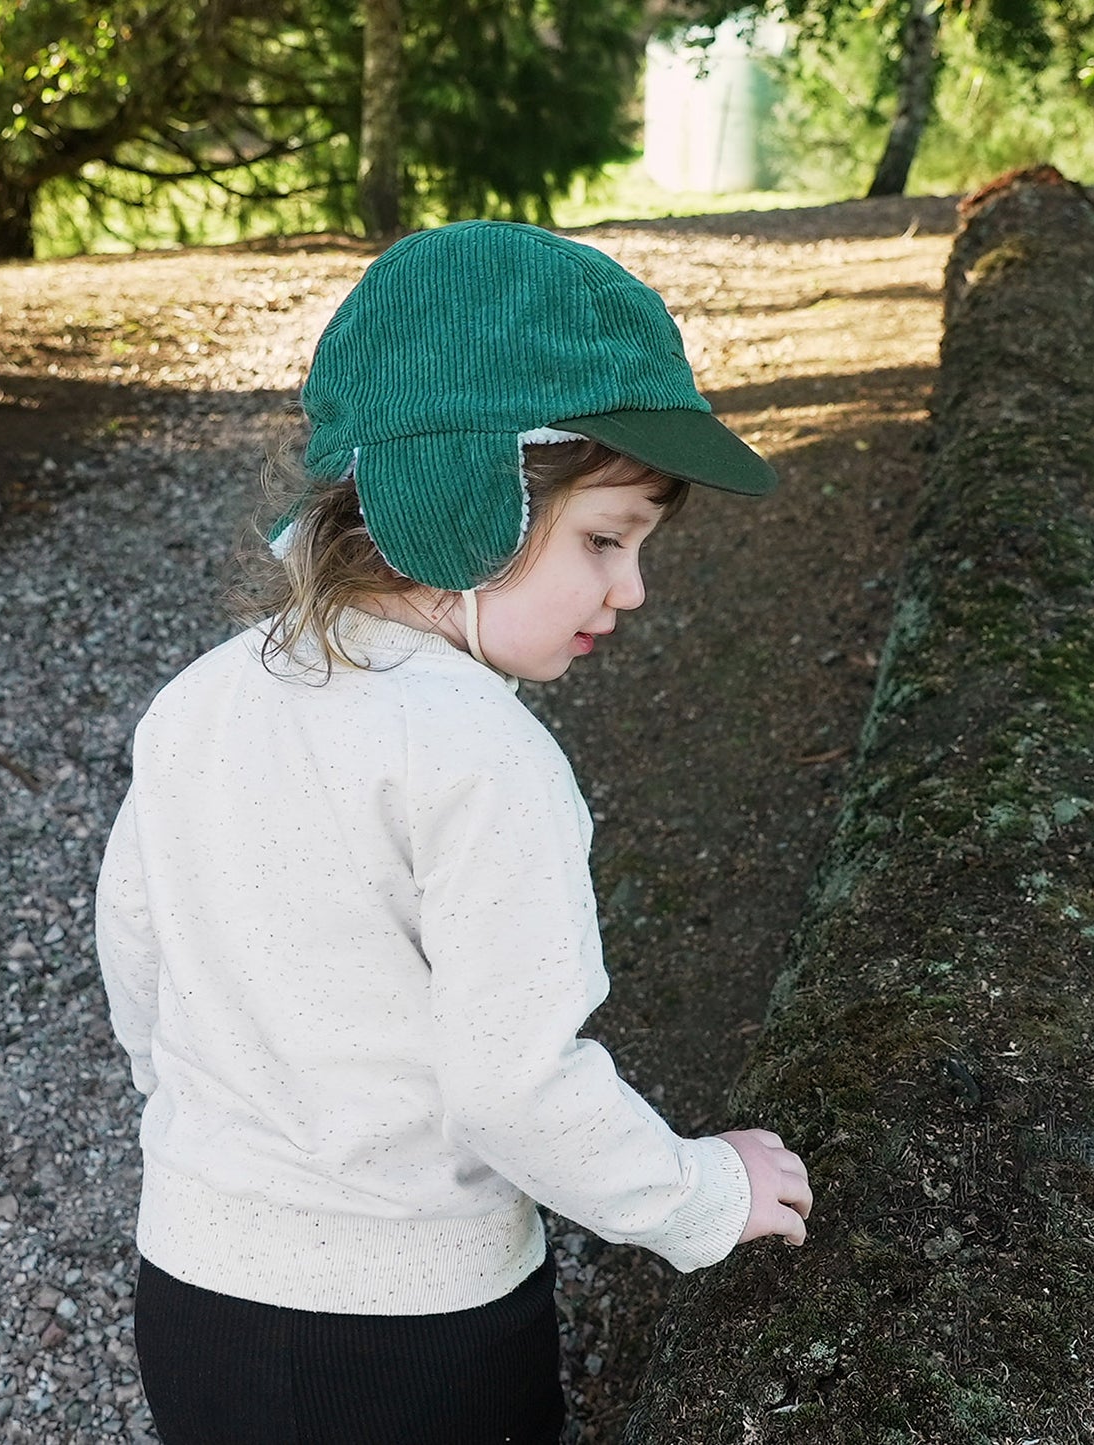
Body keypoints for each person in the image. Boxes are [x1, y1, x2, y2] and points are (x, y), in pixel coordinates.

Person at [96, 220, 812, 1445]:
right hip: (413, 1341)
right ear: (466, 491)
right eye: (603, 537)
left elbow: (139, 967)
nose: (629, 589)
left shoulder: (201, 697)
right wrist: (698, 1193)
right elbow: (512, 1086)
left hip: (193, 1296)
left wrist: (236, 1140)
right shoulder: (483, 751)